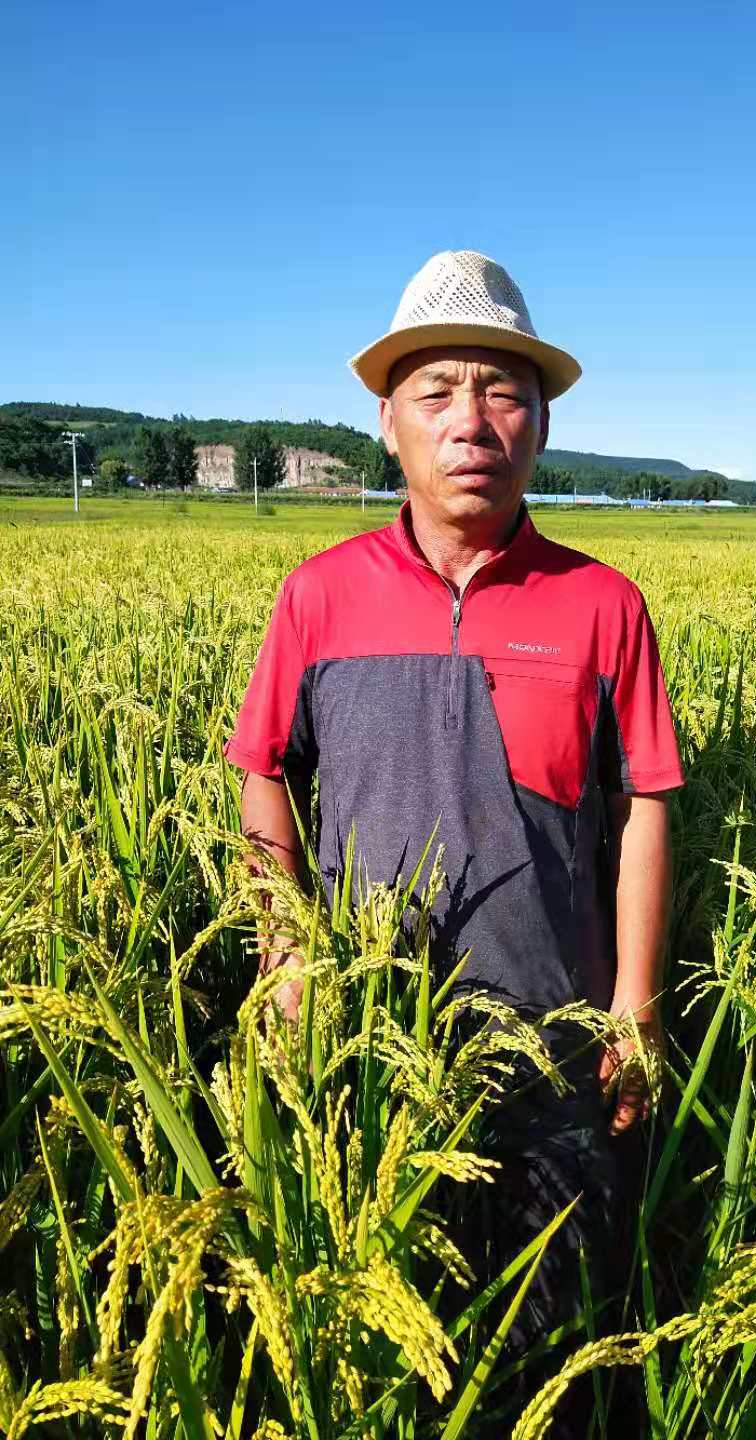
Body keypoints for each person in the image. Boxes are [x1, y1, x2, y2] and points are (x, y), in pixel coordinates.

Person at [223, 250, 685, 1435]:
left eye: (501, 390)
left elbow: (643, 805)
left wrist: (634, 1010)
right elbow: (262, 770)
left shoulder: (603, 603)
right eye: (436, 391)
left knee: (550, 1356)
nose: (469, 420)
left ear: (540, 421)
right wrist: (286, 955)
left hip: (550, 1042)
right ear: (387, 422)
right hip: (371, 1038)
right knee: (379, 1355)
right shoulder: (318, 594)